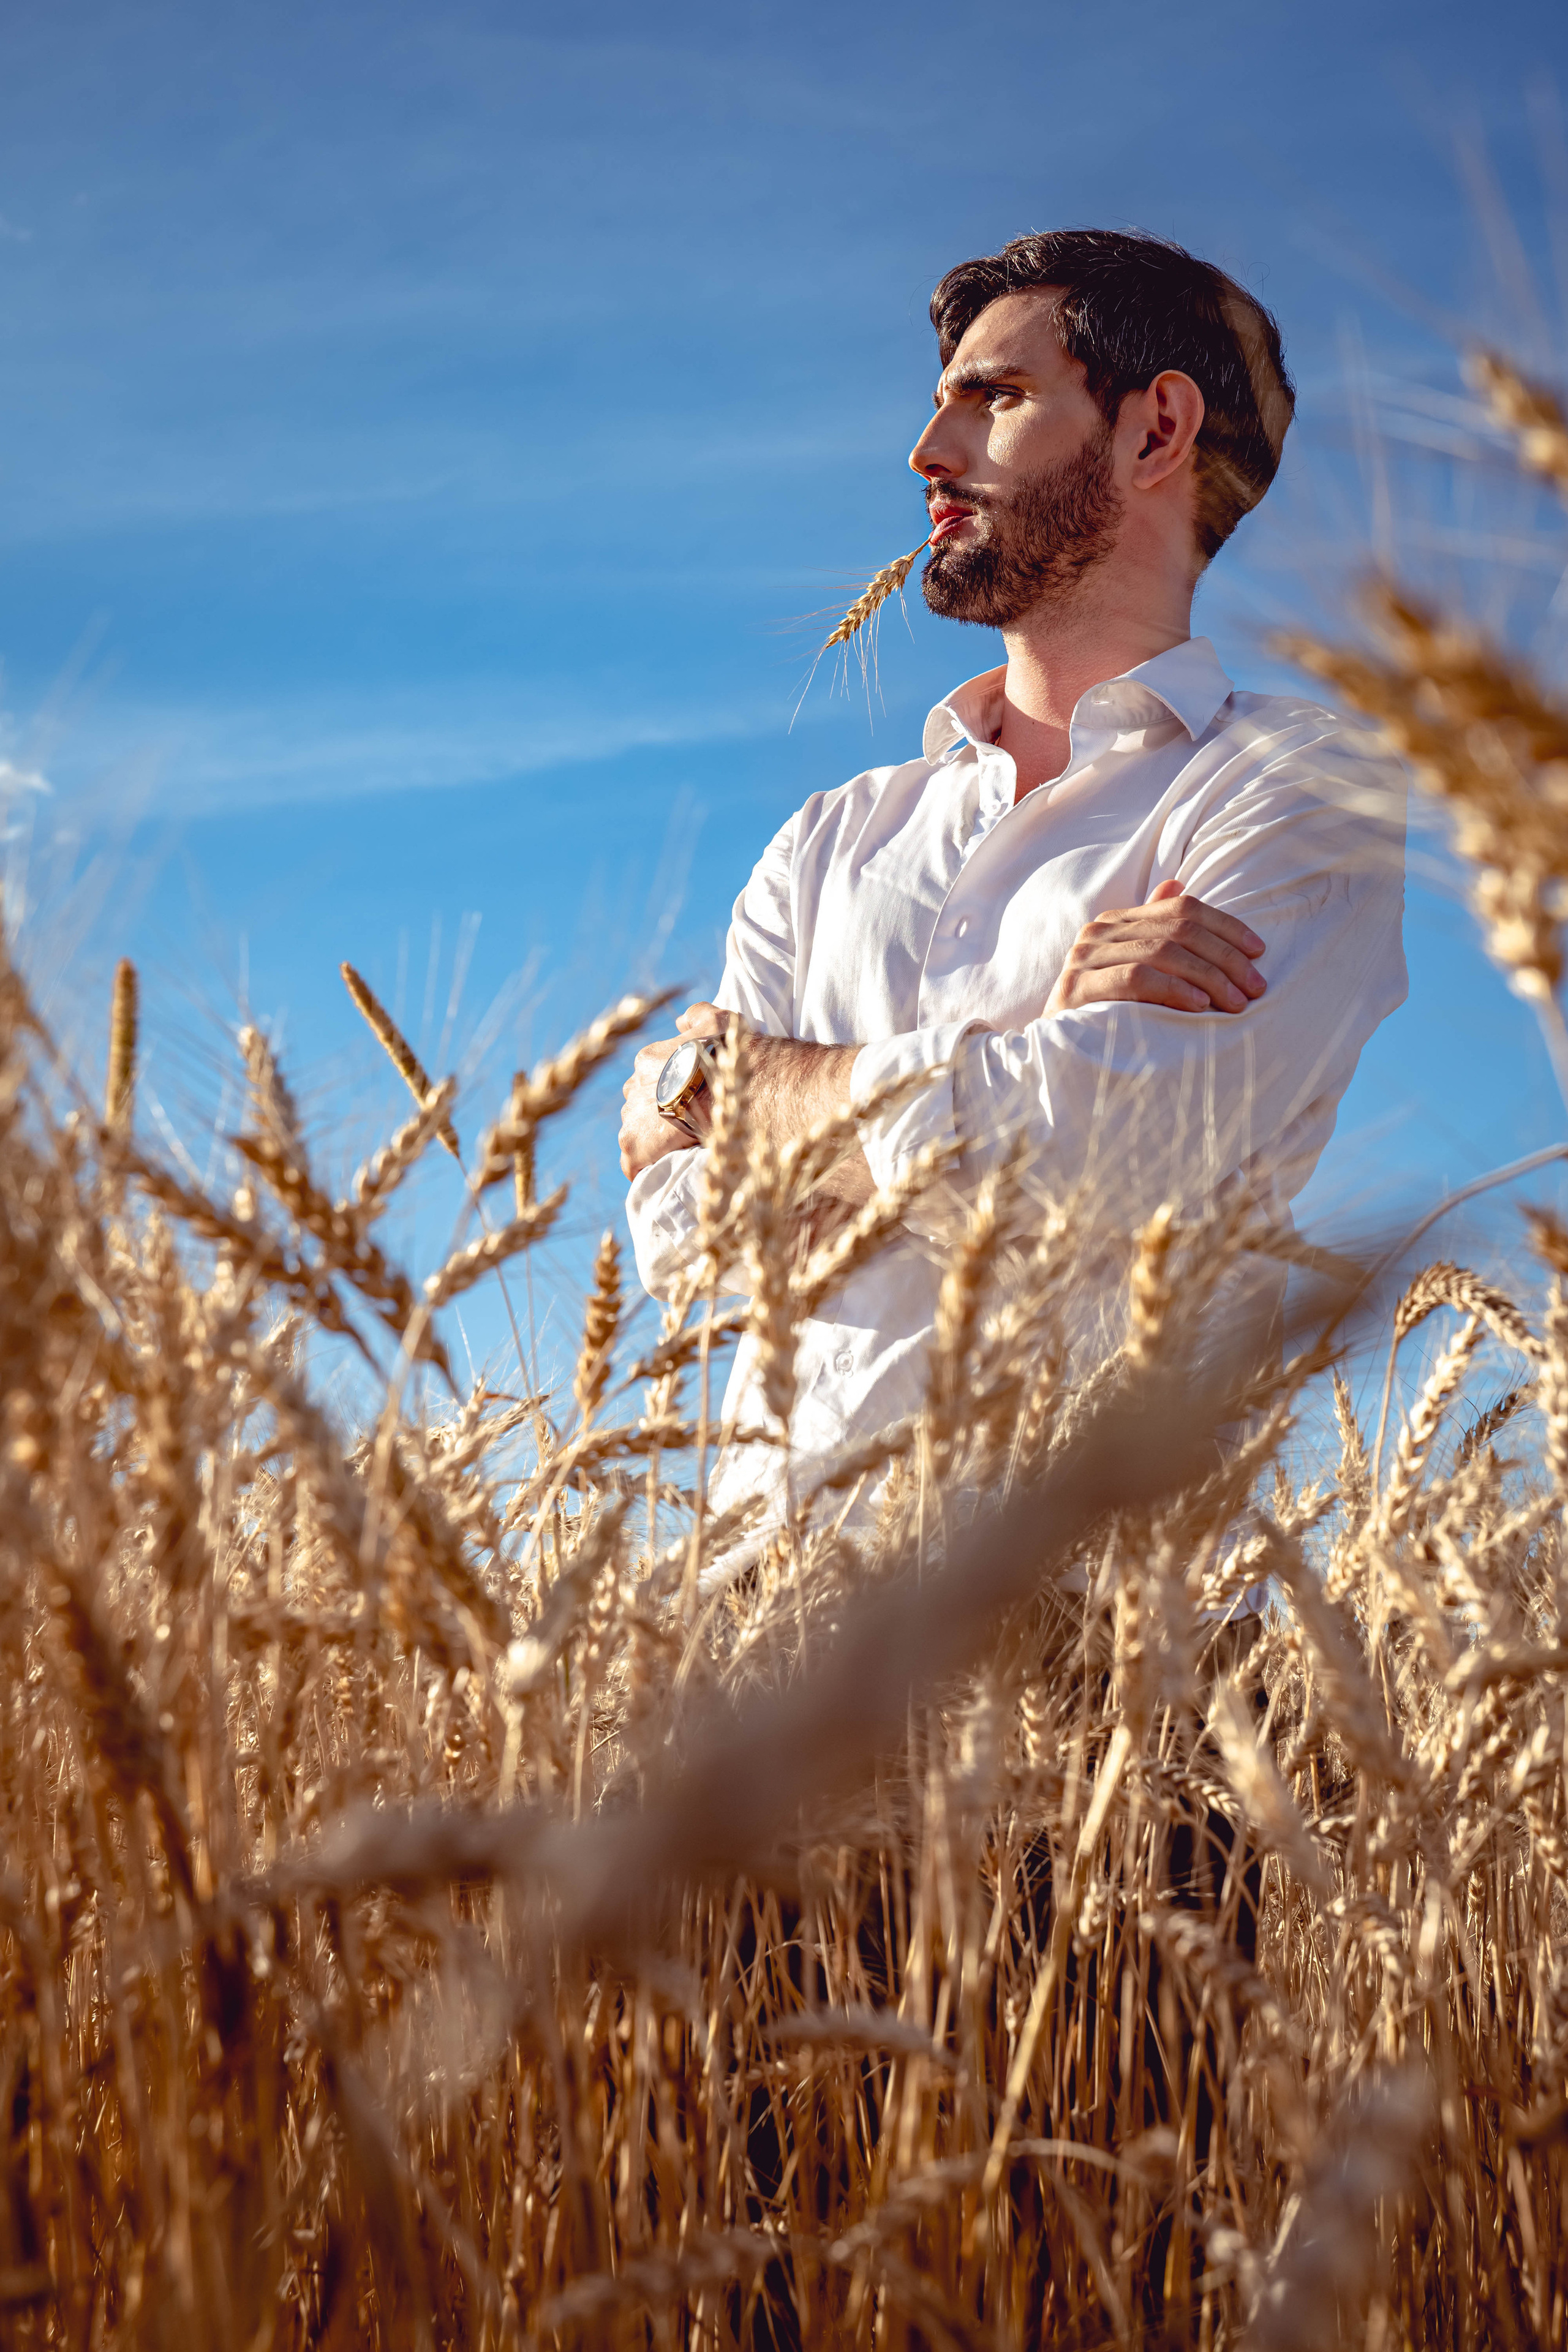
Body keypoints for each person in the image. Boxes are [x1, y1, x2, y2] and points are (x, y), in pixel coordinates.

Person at [618, 228, 1406, 1550]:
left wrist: (747, 1089)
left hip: (1092, 1645)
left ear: (1155, 428)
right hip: (762, 1623)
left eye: (993, 398)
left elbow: (1123, 1148)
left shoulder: (1296, 789)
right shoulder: (829, 838)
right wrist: (1023, 1044)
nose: (927, 452)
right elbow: (689, 1256)